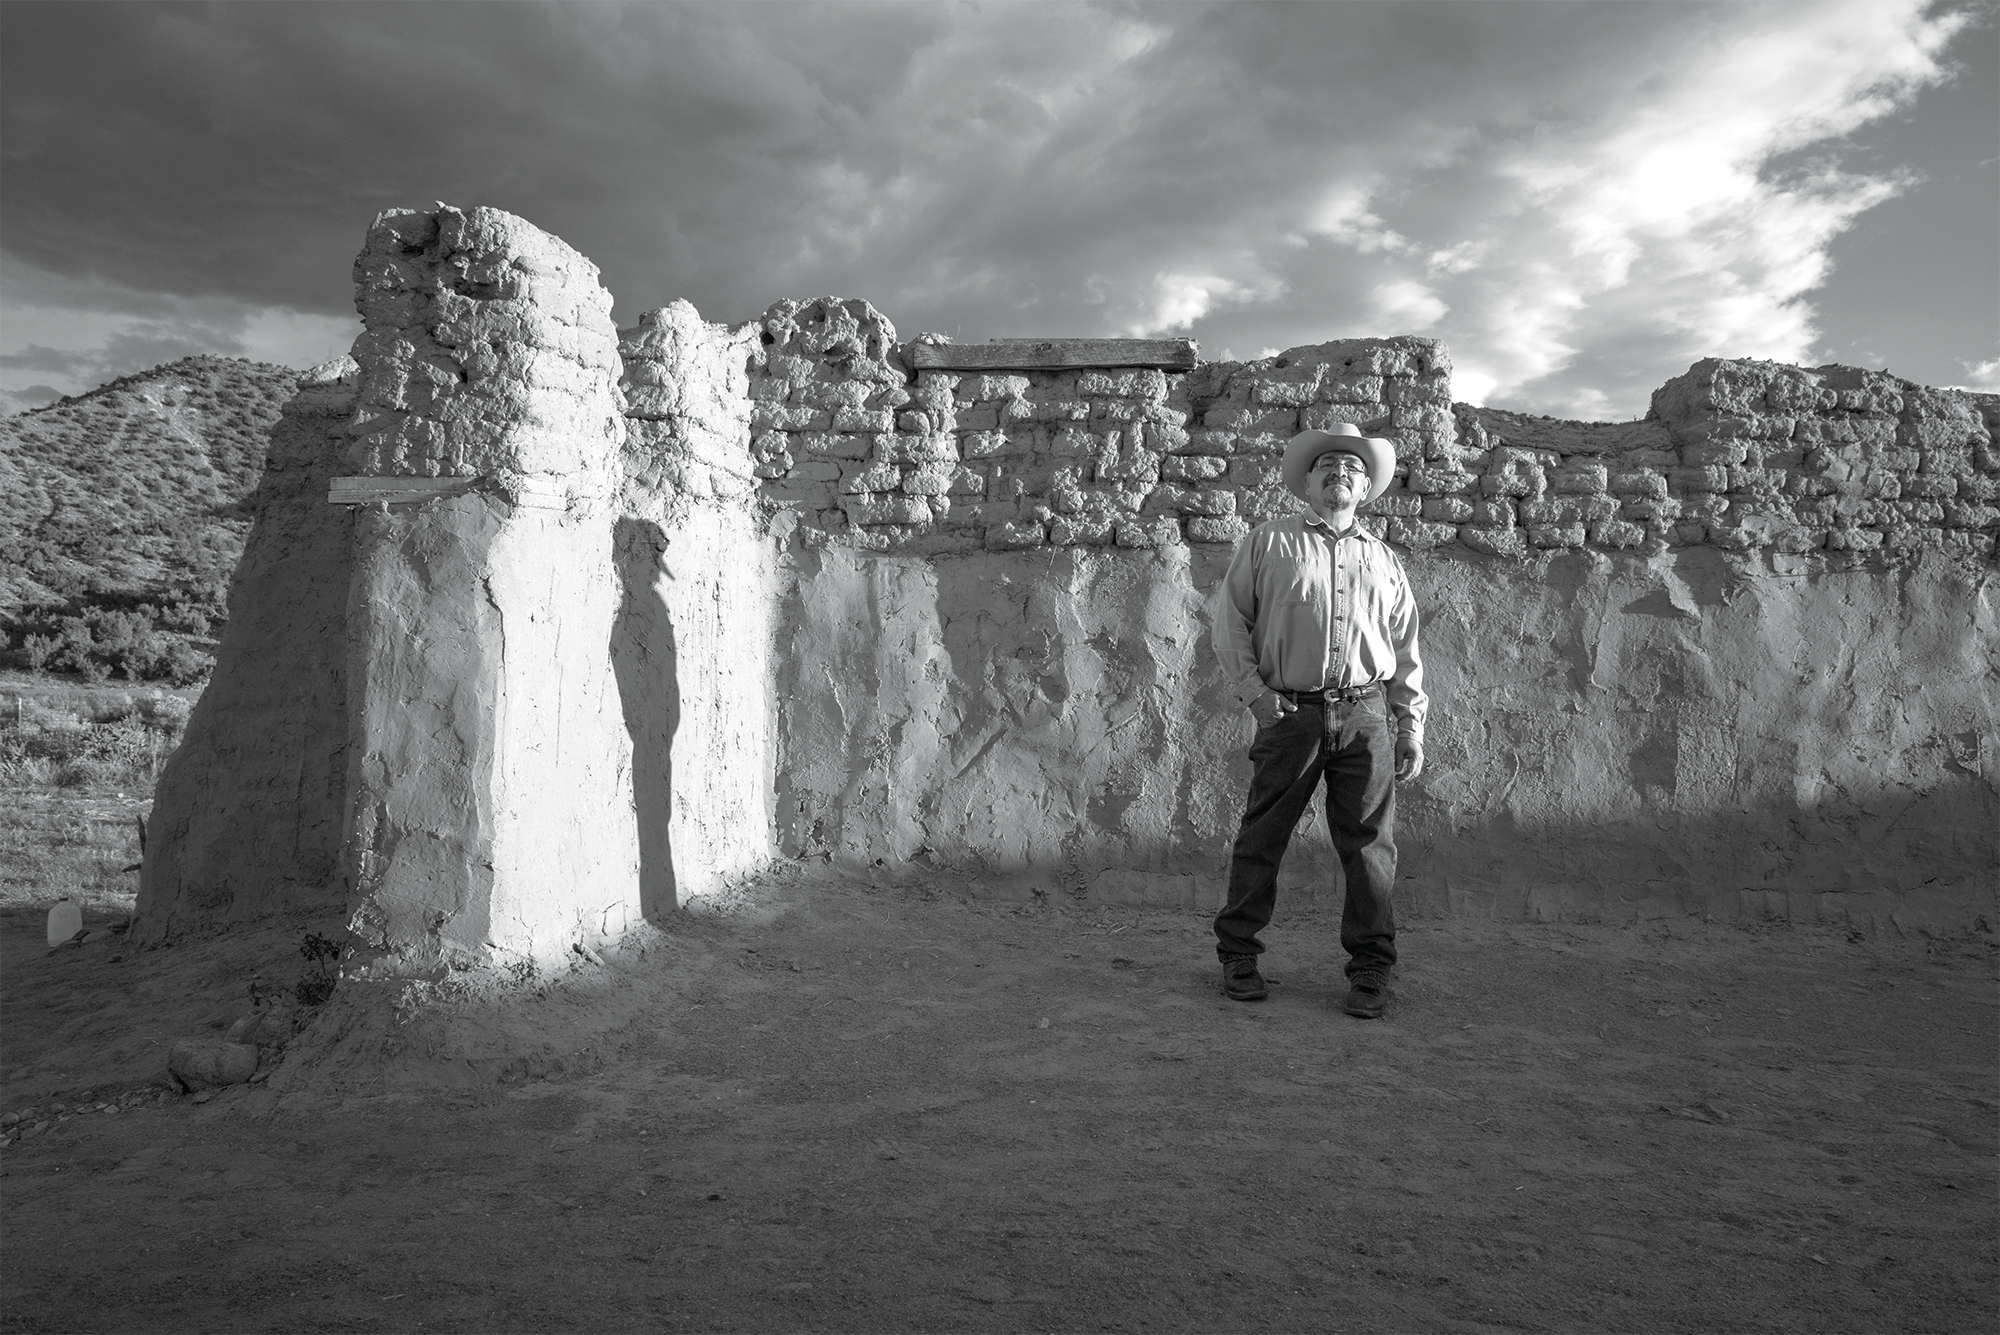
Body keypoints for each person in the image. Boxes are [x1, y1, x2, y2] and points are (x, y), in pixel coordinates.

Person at [1209, 422, 1428, 1019]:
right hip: (1291, 713)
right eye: (1328, 465)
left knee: (1370, 848)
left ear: (1365, 488)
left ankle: (1371, 971)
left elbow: (1405, 647)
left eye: (1353, 469)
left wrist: (1410, 725)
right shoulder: (1268, 541)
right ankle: (1239, 956)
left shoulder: (1384, 560)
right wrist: (1254, 693)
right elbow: (1228, 621)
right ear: (1307, 481)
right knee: (1264, 836)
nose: (1341, 474)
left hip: (1367, 714)